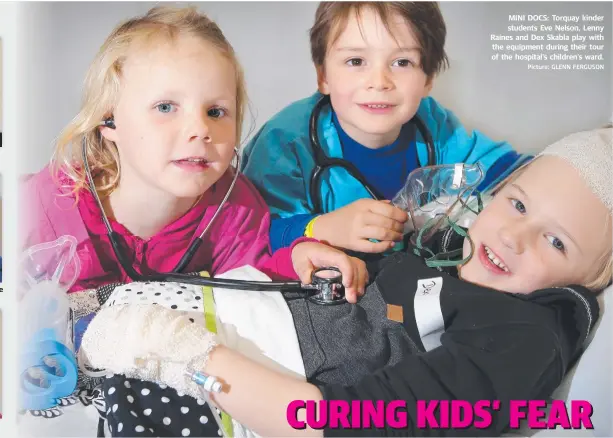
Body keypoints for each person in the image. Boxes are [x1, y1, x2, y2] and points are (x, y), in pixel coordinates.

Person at [82, 126, 612, 437]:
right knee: (82, 328)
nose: (515, 236)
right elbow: (389, 308)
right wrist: (322, 259)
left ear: (592, 279)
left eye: (557, 241)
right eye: (517, 204)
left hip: (252, 385)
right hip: (235, 323)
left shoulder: (522, 336)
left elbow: (345, 423)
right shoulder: (464, 257)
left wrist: (189, 359)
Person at [18, 6, 367, 295]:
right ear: (109, 120)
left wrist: (297, 259)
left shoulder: (236, 213)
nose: (201, 129)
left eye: (216, 112)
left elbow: (253, 278)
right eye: (166, 107)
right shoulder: (43, 209)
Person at [241, 2, 531, 255]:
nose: (379, 81)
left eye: (402, 62)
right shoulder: (285, 142)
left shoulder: (434, 124)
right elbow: (248, 235)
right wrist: (326, 227)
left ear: (428, 79)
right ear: (323, 76)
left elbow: (510, 173)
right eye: (356, 61)